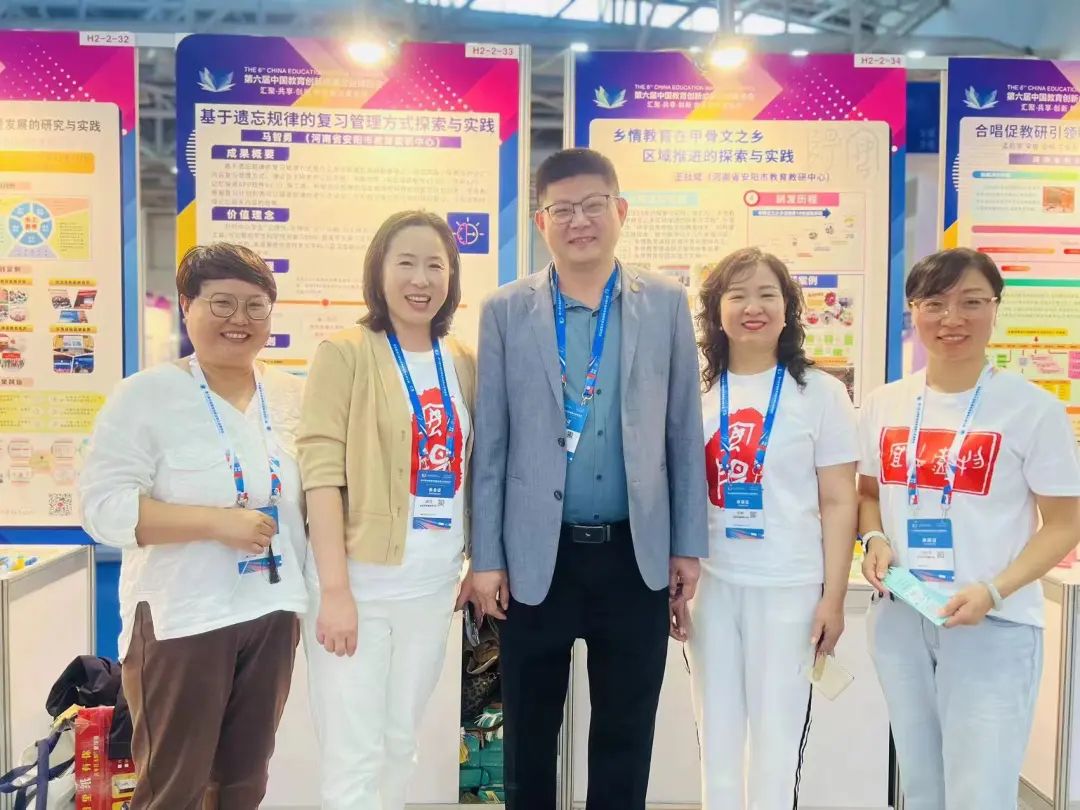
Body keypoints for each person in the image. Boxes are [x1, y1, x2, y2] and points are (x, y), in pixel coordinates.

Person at [470, 147, 708, 809]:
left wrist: (686, 546)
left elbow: (682, 431)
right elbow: (491, 443)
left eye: (593, 205)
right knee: (526, 734)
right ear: (541, 221)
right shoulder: (504, 310)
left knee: (626, 735)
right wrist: (485, 558)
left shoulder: (665, 303)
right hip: (534, 557)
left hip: (634, 556)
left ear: (620, 210)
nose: (580, 221)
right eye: (563, 209)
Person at [80, 243, 308, 809]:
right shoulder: (145, 396)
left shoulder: (292, 394)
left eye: (255, 306)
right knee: (173, 785)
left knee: (244, 780)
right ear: (187, 306)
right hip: (184, 615)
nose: (239, 319)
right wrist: (214, 524)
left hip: (272, 609)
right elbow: (103, 509)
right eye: (221, 303)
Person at [858, 247, 1080, 810]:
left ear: (995, 308)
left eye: (971, 302)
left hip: (992, 623)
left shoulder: (1032, 410)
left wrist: (995, 590)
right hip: (902, 615)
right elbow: (867, 494)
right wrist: (875, 538)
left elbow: (1065, 523)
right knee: (922, 785)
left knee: (980, 791)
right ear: (913, 310)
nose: (952, 319)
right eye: (934, 303)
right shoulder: (885, 403)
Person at [297, 210, 476, 810]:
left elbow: (475, 469)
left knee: (401, 744)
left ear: (451, 276)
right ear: (378, 270)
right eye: (405, 263)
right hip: (360, 585)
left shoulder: (461, 360)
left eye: (434, 265)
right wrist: (335, 591)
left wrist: (475, 559)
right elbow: (321, 476)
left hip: (431, 587)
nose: (420, 279)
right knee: (354, 754)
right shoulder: (344, 353)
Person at [686, 247, 858, 809]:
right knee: (715, 731)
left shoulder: (822, 393)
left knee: (777, 737)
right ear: (717, 311)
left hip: (790, 585)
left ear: (788, 309)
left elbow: (839, 500)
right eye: (737, 295)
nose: (752, 307)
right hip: (712, 585)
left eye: (767, 294)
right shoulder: (696, 392)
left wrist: (833, 598)